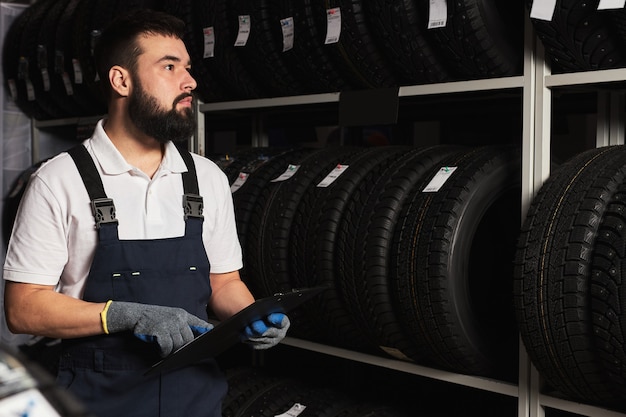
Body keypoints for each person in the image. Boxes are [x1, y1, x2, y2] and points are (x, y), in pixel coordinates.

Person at [2, 8, 290, 417]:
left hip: (195, 397)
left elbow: (224, 282)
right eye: (169, 67)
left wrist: (252, 317)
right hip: (98, 398)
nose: (189, 81)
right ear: (122, 80)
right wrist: (123, 315)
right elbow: (23, 307)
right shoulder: (60, 180)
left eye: (187, 67)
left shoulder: (206, 178)